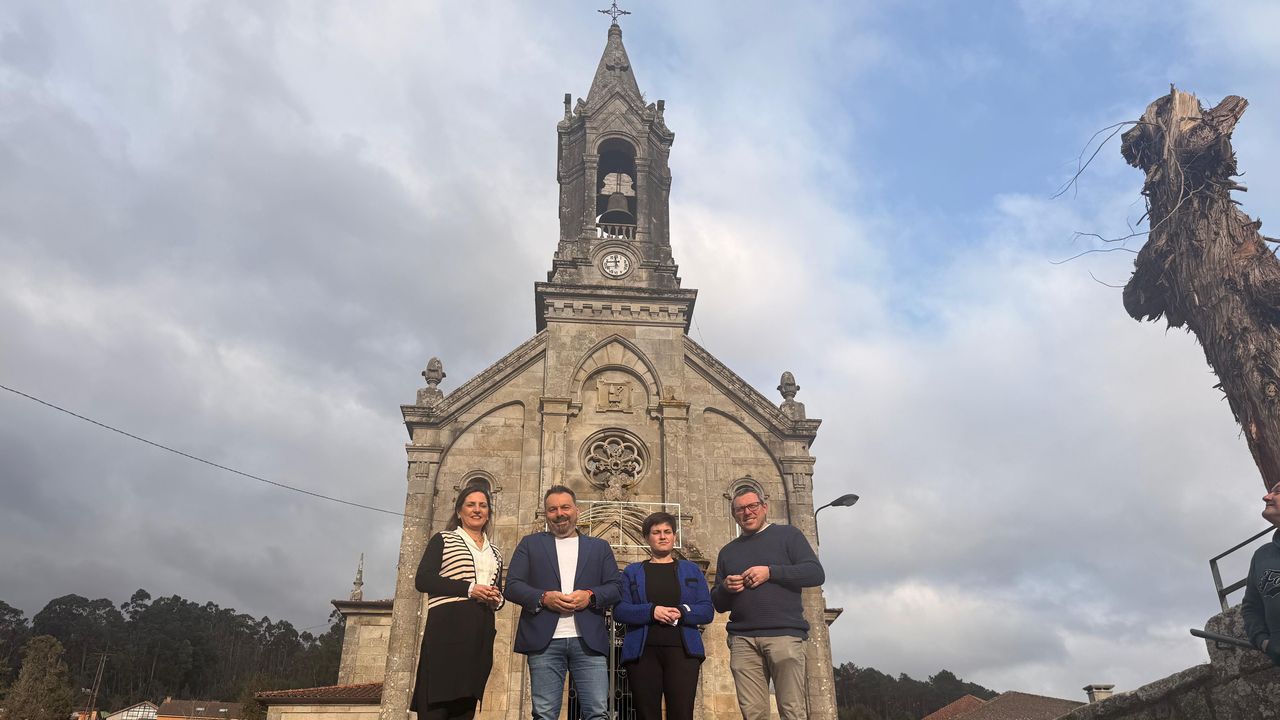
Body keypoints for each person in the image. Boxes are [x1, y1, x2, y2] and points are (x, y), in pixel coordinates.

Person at [504, 485, 622, 720]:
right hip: (544, 642)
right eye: (552, 509)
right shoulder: (530, 544)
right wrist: (543, 598)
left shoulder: (599, 547)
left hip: (588, 641)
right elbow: (513, 585)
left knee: (598, 713)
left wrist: (590, 595)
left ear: (577, 511)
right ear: (546, 514)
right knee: (544, 714)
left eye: (565, 507)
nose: (560, 513)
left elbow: (616, 587)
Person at [712, 487, 825, 720]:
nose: (747, 512)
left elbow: (815, 573)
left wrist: (771, 572)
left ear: (765, 507)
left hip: (784, 634)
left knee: (792, 711)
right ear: (734, 515)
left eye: (753, 506)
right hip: (743, 640)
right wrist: (725, 588)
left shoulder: (788, 535)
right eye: (740, 509)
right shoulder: (727, 552)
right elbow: (718, 603)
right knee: (753, 714)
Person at [411, 484, 505, 720]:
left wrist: (497, 599)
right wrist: (470, 589)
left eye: (483, 505)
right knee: (436, 708)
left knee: (464, 709)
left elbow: (499, 591)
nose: (477, 510)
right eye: (470, 505)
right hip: (446, 635)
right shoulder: (443, 539)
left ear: (489, 512)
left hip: (478, 638)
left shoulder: (496, 553)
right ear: (459, 511)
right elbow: (423, 580)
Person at [614, 512, 714, 720]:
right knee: (646, 714)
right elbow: (620, 610)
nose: (662, 536)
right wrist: (652, 611)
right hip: (643, 654)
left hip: (683, 652)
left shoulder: (691, 570)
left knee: (682, 714)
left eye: (667, 532)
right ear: (647, 538)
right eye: (656, 532)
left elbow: (706, 610)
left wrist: (683, 611)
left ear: (674, 537)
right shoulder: (632, 572)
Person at [1243, 480, 1280, 667]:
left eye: (1278, 492)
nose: (1266, 497)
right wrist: (1265, 642)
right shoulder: (1261, 557)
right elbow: (1251, 608)